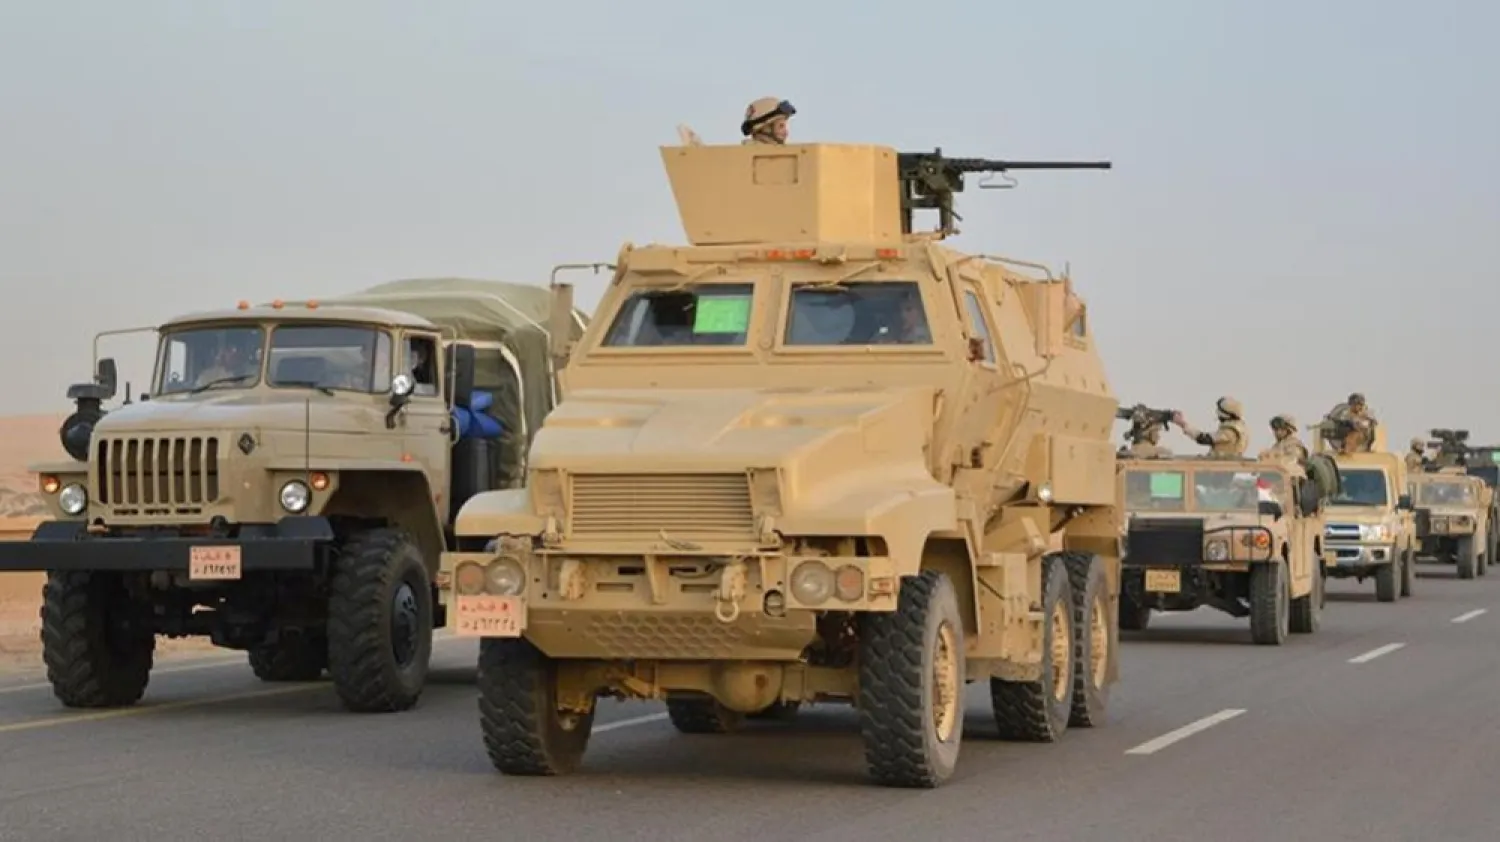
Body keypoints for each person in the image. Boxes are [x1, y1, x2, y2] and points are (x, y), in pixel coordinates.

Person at [1172, 397, 1248, 458]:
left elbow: (1202, 438)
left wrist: (1182, 424)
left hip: (1221, 469)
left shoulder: (1231, 431)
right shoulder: (1241, 427)